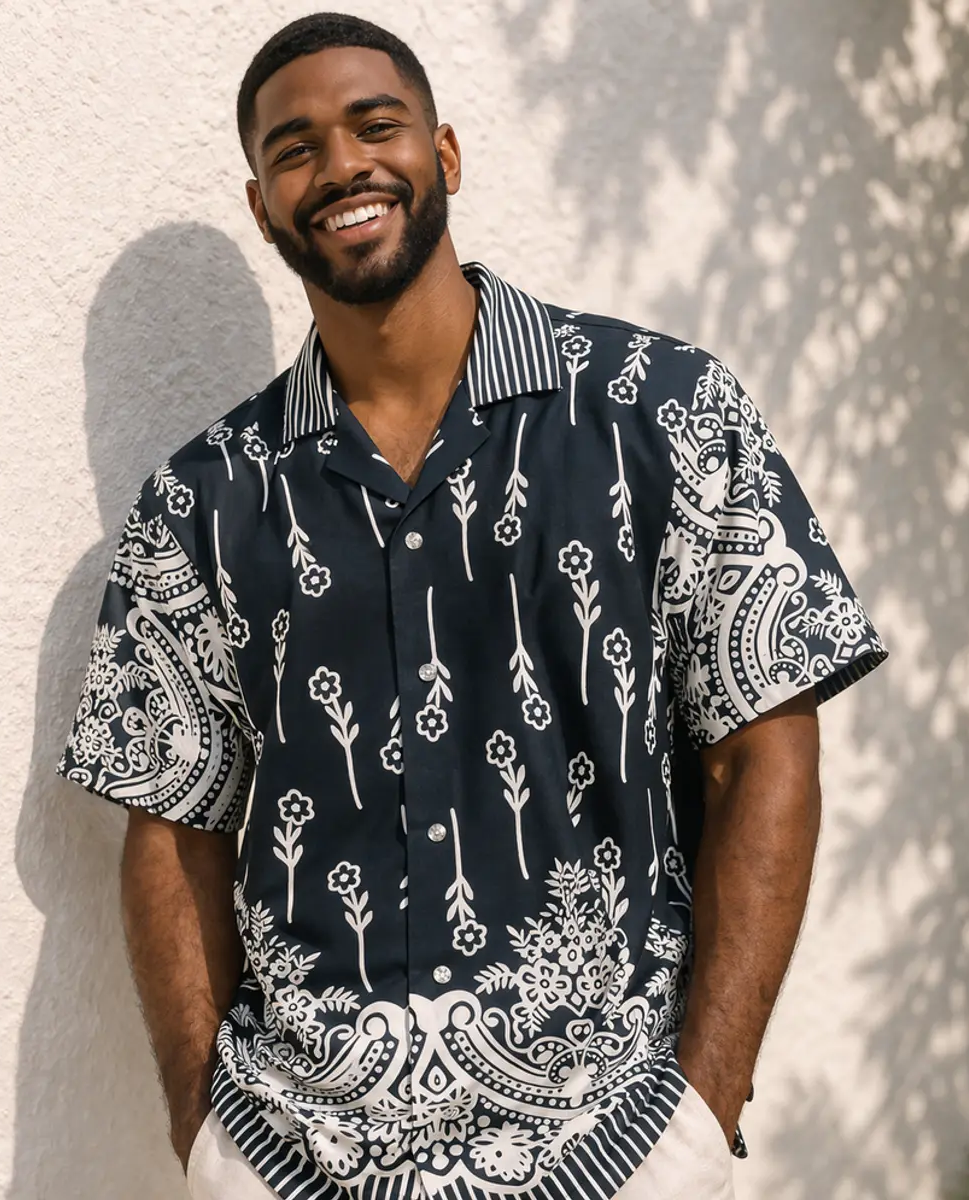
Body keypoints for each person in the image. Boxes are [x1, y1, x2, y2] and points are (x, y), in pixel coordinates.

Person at [56, 12, 887, 1199]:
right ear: (263, 205)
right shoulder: (201, 504)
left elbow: (765, 747)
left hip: (613, 1147)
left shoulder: (661, 413)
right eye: (295, 149)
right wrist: (206, 1142)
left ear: (443, 153)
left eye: (374, 125)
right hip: (298, 1157)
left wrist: (704, 1116)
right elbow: (171, 826)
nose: (341, 166)